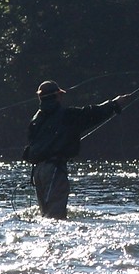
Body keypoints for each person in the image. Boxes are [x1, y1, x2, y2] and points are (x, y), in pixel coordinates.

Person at [23, 80, 132, 219]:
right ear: (57, 96)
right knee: (56, 217)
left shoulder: (35, 120)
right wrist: (115, 103)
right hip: (54, 170)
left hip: (37, 172)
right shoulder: (67, 116)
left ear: (40, 98)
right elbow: (93, 113)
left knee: (45, 214)